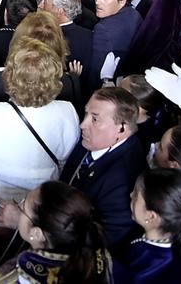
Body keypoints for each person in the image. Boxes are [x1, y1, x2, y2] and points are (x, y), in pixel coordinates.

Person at [0, 39, 80, 215]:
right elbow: (65, 161)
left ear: (9, 75)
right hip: (37, 211)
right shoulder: (68, 111)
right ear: (54, 77)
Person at [61, 86, 148, 245]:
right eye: (86, 114)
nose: (82, 124)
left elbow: (104, 240)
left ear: (121, 129)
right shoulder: (94, 141)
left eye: (94, 119)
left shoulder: (122, 182)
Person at [0, 181, 113, 283]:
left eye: (22, 207)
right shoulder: (100, 258)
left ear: (36, 233)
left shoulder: (11, 278)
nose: (18, 207)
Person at [122, 168, 181, 282]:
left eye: (136, 195)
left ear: (151, 216)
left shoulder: (151, 264)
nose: (131, 195)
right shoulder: (164, 244)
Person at [88, 0, 140, 88]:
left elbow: (95, 76)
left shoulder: (103, 30)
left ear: (123, 0)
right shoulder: (134, 15)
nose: (97, 2)